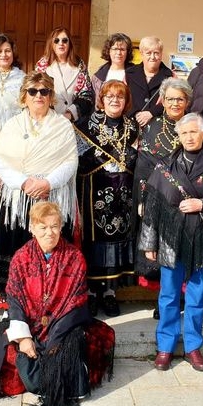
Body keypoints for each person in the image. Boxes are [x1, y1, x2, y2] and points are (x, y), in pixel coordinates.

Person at [0, 202, 114, 406]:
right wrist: (24, 337)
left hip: (63, 324)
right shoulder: (20, 258)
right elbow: (15, 299)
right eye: (43, 227)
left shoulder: (74, 258)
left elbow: (75, 303)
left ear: (61, 227)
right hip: (29, 322)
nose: (49, 233)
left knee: (68, 350)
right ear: (32, 229)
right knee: (6, 346)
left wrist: (55, 338)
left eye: (54, 226)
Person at [138, 113, 203, 372]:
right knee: (168, 296)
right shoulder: (164, 167)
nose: (189, 137)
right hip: (170, 241)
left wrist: (202, 205)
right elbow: (152, 207)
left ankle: (193, 346)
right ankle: (165, 346)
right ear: (178, 136)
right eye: (184, 133)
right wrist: (149, 243)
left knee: (196, 297)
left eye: (194, 132)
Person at [0, 72, 78, 309]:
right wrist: (24, 183)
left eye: (44, 91)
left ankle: (51, 307)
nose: (38, 96)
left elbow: (70, 161)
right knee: (17, 252)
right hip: (17, 201)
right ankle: (14, 307)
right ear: (24, 96)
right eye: (33, 91)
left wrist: (48, 183)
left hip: (51, 198)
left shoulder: (63, 126)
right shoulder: (12, 125)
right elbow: (0, 161)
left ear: (51, 96)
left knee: (51, 253)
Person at [74, 80, 138, 317]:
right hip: (93, 192)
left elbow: (137, 158)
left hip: (123, 194)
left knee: (117, 239)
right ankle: (91, 293)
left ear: (126, 101)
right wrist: (103, 159)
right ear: (101, 99)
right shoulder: (85, 125)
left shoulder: (133, 127)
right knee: (94, 242)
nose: (114, 100)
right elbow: (78, 157)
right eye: (109, 96)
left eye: (120, 97)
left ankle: (110, 293)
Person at [133, 77, 192, 303]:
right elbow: (144, 167)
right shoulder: (152, 126)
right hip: (158, 197)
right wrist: (143, 199)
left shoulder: (195, 125)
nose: (175, 103)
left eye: (180, 99)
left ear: (187, 101)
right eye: (170, 99)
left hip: (187, 200)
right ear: (163, 101)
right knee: (159, 249)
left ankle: (183, 295)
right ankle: (164, 299)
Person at [35, 26, 94, 122]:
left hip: (74, 121)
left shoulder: (80, 65)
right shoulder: (42, 67)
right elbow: (36, 93)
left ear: (69, 43)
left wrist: (70, 113)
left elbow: (87, 95)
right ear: (51, 43)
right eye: (56, 40)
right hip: (49, 119)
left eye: (65, 40)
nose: (61, 43)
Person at [126, 36, 174, 127]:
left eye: (156, 53)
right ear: (141, 54)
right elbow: (123, 98)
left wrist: (152, 112)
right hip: (131, 125)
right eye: (148, 53)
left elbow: (174, 101)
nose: (152, 57)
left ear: (161, 54)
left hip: (159, 126)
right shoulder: (128, 74)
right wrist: (136, 114)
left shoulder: (171, 77)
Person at [91, 32, 134, 99]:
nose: (118, 53)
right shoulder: (98, 76)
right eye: (115, 49)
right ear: (109, 51)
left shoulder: (135, 73)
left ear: (127, 52)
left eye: (122, 49)